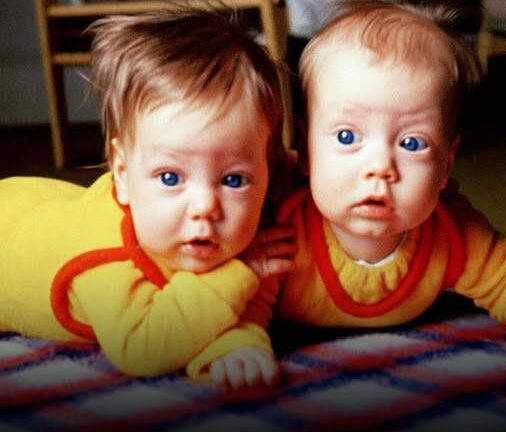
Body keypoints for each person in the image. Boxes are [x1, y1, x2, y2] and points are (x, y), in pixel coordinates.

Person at [0, 7, 295, 389]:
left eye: (233, 179)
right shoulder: (106, 257)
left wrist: (239, 345)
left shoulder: (217, 231)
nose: (205, 207)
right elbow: (144, 346)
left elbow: (218, 309)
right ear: (122, 173)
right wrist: (243, 273)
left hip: (41, 201)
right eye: (171, 178)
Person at [269, 0, 506, 333]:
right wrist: (242, 346)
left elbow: (505, 280)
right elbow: (237, 300)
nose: (380, 167)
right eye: (346, 136)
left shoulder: (452, 234)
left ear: (446, 165)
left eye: (412, 143)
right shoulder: (281, 230)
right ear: (307, 150)